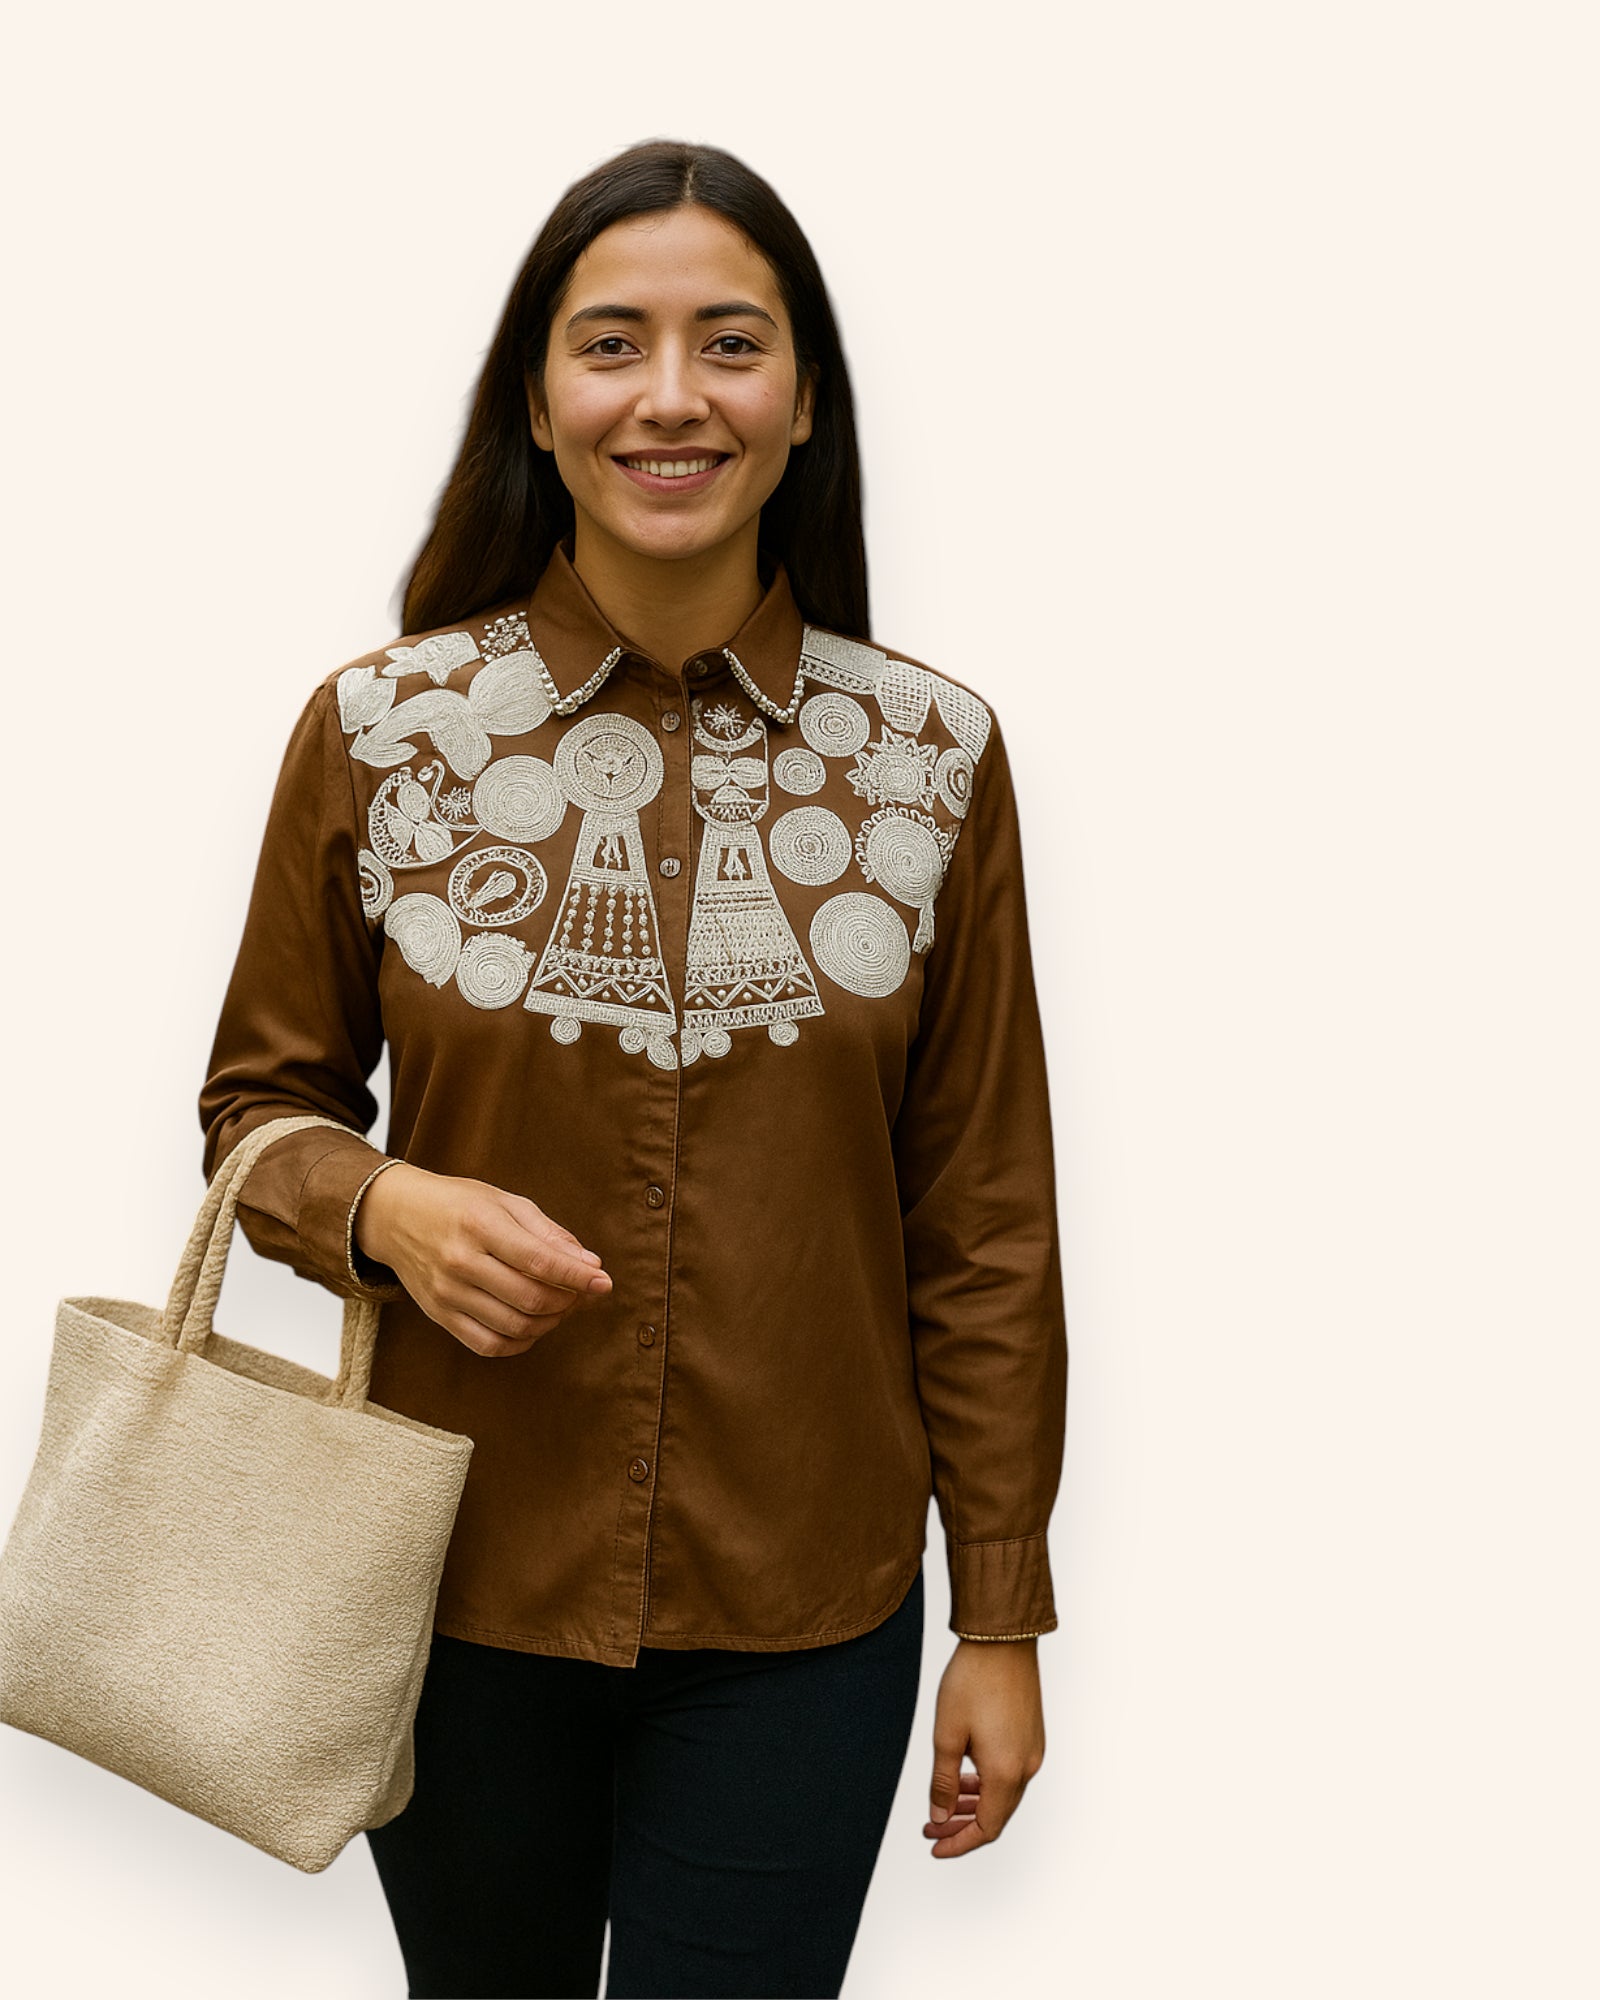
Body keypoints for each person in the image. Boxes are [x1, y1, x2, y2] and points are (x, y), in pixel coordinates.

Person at [199, 137, 1068, 2000]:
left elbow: (984, 1218)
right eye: (613, 344)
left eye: (730, 344)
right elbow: (255, 1114)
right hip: (454, 1580)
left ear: (805, 399)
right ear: (539, 397)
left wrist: (1001, 1611)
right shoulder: (382, 733)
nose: (672, 395)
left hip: (807, 1608)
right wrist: (382, 1208)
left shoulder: (931, 761)